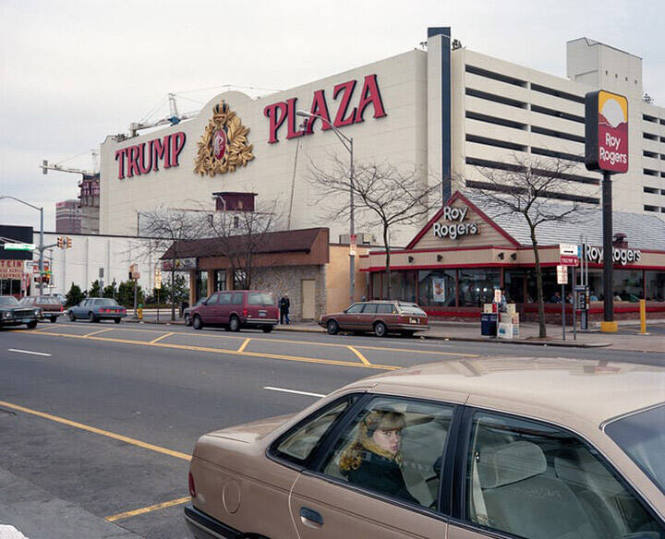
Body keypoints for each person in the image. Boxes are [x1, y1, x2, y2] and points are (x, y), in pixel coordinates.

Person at [338, 410, 418, 505]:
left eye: (398, 432)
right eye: (387, 433)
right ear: (369, 435)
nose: (396, 439)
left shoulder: (367, 457)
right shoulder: (374, 472)